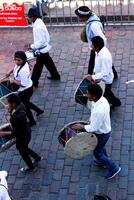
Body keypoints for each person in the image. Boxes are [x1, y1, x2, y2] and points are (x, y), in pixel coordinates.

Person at [72, 84, 121, 179]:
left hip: (102, 133)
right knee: (100, 148)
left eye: (88, 94)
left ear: (94, 96)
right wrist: (91, 118)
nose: (86, 95)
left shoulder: (99, 110)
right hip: (103, 130)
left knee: (97, 152)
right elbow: (94, 113)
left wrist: (81, 126)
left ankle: (114, 168)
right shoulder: (101, 99)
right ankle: (103, 161)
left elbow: (94, 128)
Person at [0, 94, 42, 173]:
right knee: (25, 148)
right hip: (27, 131)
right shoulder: (21, 105)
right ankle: (36, 157)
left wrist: (4, 133)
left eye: (8, 103)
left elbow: (16, 133)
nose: (7, 105)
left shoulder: (14, 118)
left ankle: (31, 167)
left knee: (23, 152)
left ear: (14, 104)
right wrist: (9, 110)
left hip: (22, 136)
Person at [75, 6, 118, 78]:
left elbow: (103, 39)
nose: (78, 18)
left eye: (79, 17)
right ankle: (114, 74)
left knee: (92, 61)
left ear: (84, 17)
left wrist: (100, 50)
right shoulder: (92, 17)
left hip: (97, 47)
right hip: (96, 46)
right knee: (101, 61)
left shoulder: (93, 26)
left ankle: (90, 76)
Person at [6, 51, 44, 126]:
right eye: (15, 59)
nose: (17, 62)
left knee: (25, 107)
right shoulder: (21, 64)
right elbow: (15, 68)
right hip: (25, 89)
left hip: (25, 91)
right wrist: (10, 72)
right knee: (26, 103)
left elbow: (23, 84)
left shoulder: (23, 71)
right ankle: (38, 110)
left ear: (23, 60)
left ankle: (32, 121)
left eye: (19, 60)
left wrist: (13, 81)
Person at [27, 7, 60, 88]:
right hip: (44, 48)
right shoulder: (38, 22)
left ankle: (34, 82)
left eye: (30, 17)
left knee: (38, 67)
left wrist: (32, 46)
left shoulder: (38, 27)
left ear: (33, 17)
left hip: (42, 49)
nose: (29, 18)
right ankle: (55, 76)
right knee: (48, 62)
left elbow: (41, 41)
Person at [86, 36, 121, 108]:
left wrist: (92, 77)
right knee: (107, 93)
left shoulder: (105, 56)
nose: (91, 46)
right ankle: (116, 102)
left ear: (97, 47)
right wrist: (94, 73)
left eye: (92, 45)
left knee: (105, 95)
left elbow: (105, 73)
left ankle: (113, 104)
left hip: (106, 81)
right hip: (101, 79)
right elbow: (97, 64)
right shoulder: (98, 51)